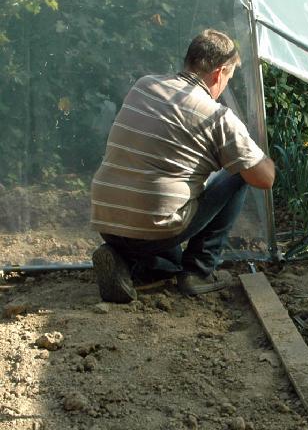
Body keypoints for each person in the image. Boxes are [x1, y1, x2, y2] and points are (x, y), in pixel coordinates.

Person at [90, 29, 275, 302]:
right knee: (237, 175)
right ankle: (198, 271)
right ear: (218, 73)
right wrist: (258, 153)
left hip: (107, 220)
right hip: (155, 230)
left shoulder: (144, 86)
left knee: (165, 234)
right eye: (228, 78)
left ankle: (129, 263)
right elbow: (264, 178)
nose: (225, 87)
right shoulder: (218, 117)